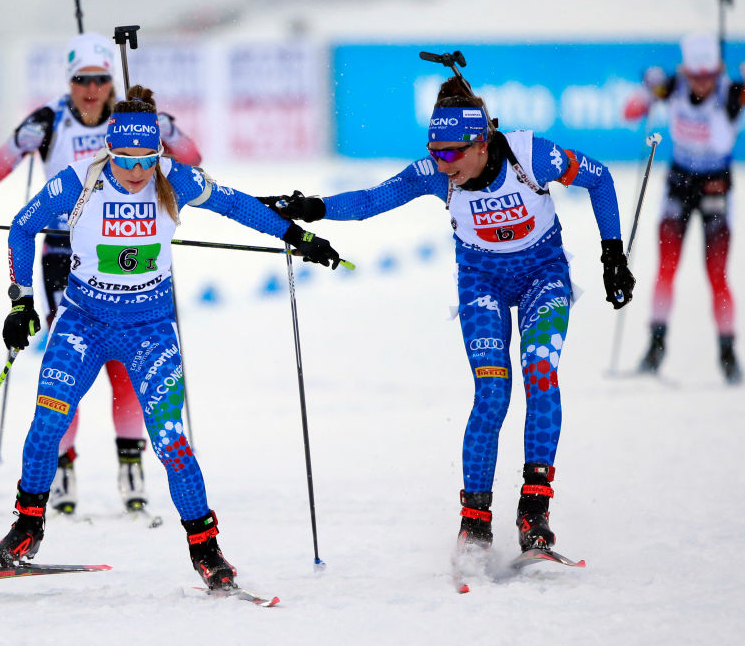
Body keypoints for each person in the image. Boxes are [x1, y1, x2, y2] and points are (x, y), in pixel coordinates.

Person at [0, 86, 343, 588]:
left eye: (147, 158)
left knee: (172, 441)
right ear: (109, 149)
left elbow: (237, 205)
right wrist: (21, 300)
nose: (136, 172)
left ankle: (207, 550)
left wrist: (296, 236)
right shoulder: (78, 183)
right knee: (47, 421)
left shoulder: (174, 179)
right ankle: (26, 529)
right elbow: (21, 229)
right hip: (82, 322)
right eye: (126, 159)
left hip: (150, 330)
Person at [263, 75, 634, 556]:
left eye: (453, 153)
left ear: (482, 144)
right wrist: (312, 207)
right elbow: (370, 201)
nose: (443, 163)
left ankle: (534, 514)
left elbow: (600, 177)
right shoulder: (436, 173)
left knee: (541, 373)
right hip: (482, 283)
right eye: (435, 151)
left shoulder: (531, 155)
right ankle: (475, 524)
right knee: (493, 391)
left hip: (543, 276)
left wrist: (613, 254)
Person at [0, 32, 205, 516]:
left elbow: (192, 161)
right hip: (63, 252)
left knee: (127, 365)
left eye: (101, 79)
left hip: (129, 246)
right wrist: (17, 144)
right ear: (69, 82)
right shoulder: (48, 119)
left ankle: (131, 463)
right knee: (68, 366)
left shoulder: (135, 125)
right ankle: (61, 468)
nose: (91, 89)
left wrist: (165, 130)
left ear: (111, 81)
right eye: (81, 79)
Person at [623, 32, 744, 384]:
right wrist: (648, 90)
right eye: (696, 76)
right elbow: (630, 112)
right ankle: (655, 346)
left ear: (719, 70)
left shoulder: (733, 92)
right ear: (686, 71)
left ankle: (728, 352)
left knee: (717, 275)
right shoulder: (673, 87)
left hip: (716, 186)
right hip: (679, 185)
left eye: (709, 76)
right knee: (666, 268)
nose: (702, 84)